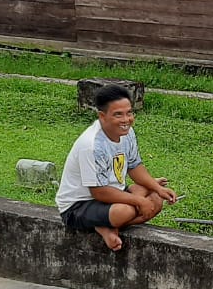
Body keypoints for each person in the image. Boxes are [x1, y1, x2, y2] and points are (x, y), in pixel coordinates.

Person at [56, 85, 178, 252]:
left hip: (113, 193)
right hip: (79, 205)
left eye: (129, 113)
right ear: (102, 116)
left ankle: (109, 225)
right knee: (125, 211)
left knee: (156, 200)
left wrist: (157, 188)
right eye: (118, 114)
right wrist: (139, 200)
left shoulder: (127, 133)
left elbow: (134, 166)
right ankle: (104, 227)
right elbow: (99, 192)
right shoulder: (91, 145)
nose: (126, 120)